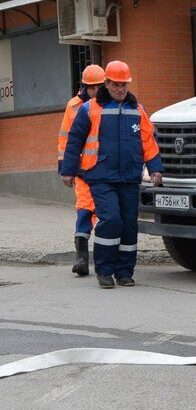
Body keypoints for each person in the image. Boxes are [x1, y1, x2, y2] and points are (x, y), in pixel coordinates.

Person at [60, 60, 163, 289]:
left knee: (129, 224)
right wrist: (67, 170)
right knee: (110, 220)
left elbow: (148, 140)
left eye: (123, 85)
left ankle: (125, 272)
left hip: (129, 176)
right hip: (100, 175)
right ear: (106, 83)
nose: (120, 89)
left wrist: (155, 167)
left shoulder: (137, 110)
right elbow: (74, 140)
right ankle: (105, 271)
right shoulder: (90, 109)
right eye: (115, 84)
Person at [57, 64, 105, 276]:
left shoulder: (110, 104)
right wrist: (66, 167)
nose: (94, 91)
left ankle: (107, 259)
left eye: (98, 87)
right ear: (84, 86)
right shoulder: (74, 106)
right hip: (83, 170)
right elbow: (65, 137)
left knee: (107, 214)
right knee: (84, 210)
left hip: (105, 170)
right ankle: (82, 259)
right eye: (91, 87)